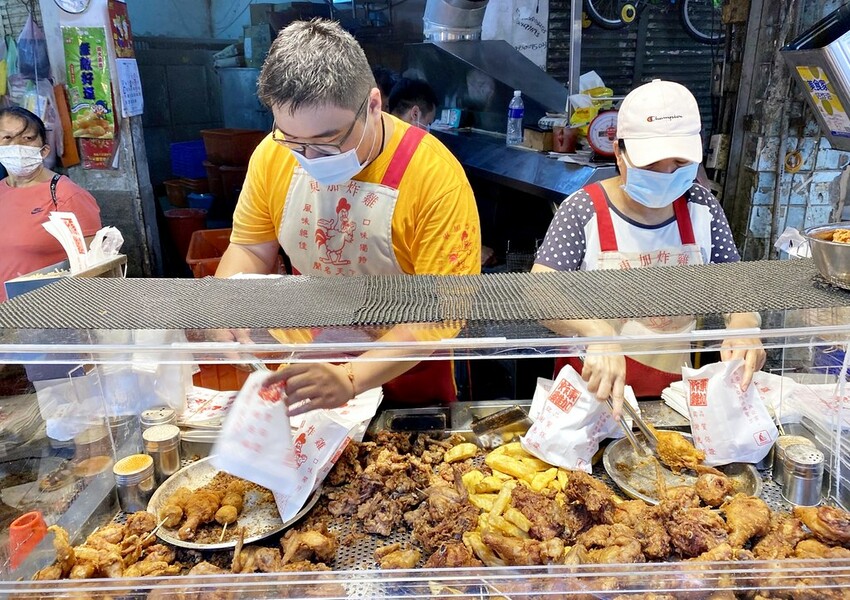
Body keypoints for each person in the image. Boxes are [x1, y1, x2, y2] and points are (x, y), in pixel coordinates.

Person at [216, 19, 481, 415]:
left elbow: (444, 310)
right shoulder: (272, 155)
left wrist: (353, 377)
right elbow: (251, 248)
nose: (308, 158)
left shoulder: (434, 176)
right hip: (309, 363)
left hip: (405, 370)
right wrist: (225, 304)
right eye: (293, 141)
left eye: (328, 142)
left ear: (373, 105)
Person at [532, 79, 764, 414]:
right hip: (589, 397)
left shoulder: (701, 206)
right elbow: (539, 293)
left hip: (673, 397)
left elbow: (733, 282)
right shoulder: (583, 209)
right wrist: (596, 331)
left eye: (678, 163)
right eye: (651, 164)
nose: (666, 174)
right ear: (618, 152)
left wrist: (743, 325)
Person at [0, 107, 101, 302]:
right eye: (7, 138)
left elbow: (94, 267)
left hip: (48, 313)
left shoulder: (66, 195)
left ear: (44, 150)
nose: (17, 146)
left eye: (27, 138)